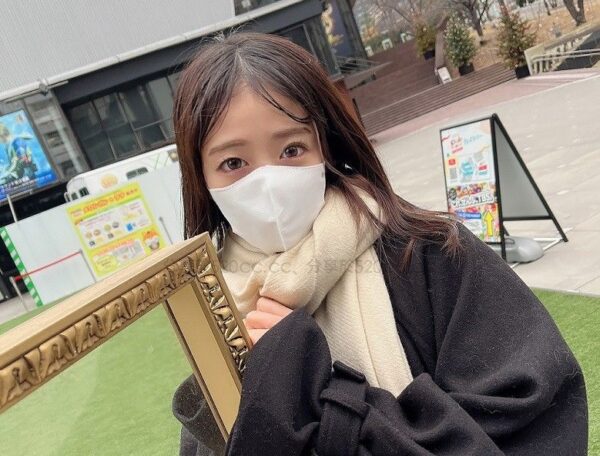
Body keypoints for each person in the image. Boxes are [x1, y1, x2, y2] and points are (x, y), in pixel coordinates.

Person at [171, 32, 587, 456]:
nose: (268, 181)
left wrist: (311, 385)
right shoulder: (216, 314)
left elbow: (533, 415)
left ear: (326, 147)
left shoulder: (431, 253)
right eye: (233, 162)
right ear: (201, 178)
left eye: (292, 149)